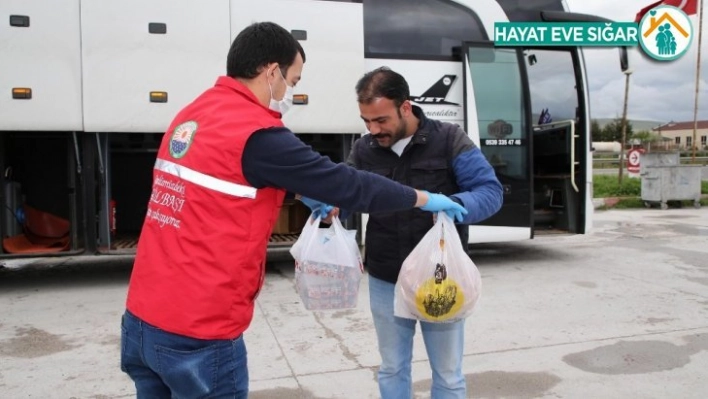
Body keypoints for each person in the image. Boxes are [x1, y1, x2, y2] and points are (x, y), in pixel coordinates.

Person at [119, 23, 467, 398]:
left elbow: (226, 178)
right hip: (197, 330)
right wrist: (425, 199)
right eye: (292, 80)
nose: (288, 92)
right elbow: (353, 186)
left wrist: (301, 188)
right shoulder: (256, 132)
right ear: (271, 72)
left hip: (141, 320)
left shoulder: (193, 114)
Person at [344, 67, 504, 399]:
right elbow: (347, 194)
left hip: (441, 279)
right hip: (386, 276)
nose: (374, 130)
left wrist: (456, 202)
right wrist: (331, 206)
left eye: (381, 120)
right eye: (366, 121)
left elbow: (490, 192)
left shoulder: (449, 140)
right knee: (392, 369)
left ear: (406, 107)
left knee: (447, 375)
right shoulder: (363, 150)